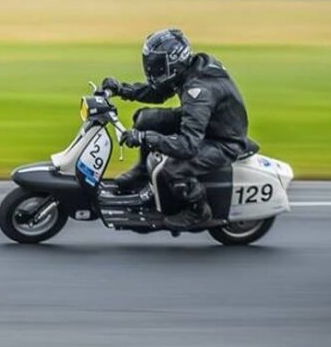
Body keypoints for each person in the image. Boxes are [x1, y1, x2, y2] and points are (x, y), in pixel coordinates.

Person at [102, 28, 253, 229]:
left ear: (172, 62)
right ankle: (142, 172)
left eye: (157, 65)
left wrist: (145, 137)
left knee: (173, 168)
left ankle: (198, 211)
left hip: (222, 140)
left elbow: (188, 146)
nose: (151, 69)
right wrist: (121, 89)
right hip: (208, 123)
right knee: (146, 118)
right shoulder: (189, 69)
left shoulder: (198, 91)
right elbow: (158, 93)